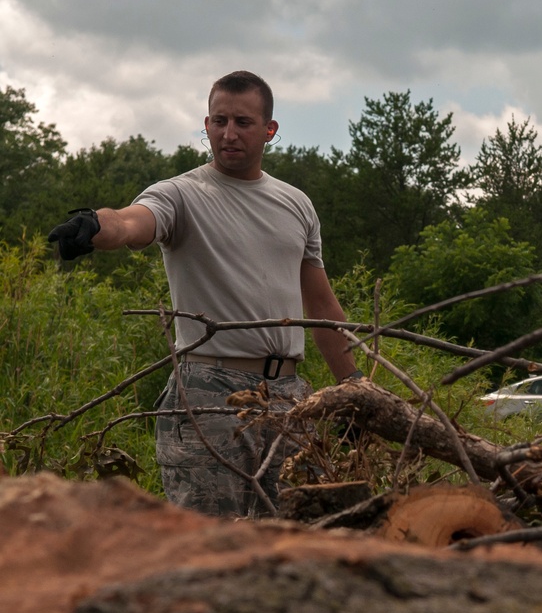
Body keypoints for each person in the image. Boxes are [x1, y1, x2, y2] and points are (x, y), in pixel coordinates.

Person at [47, 70, 361, 517]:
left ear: (270, 130)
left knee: (296, 544)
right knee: (211, 543)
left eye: (243, 122)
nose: (228, 134)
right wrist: (98, 226)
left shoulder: (296, 204)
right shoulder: (181, 194)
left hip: (290, 395)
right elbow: (133, 222)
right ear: (207, 124)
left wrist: (354, 387)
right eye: (218, 121)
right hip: (209, 394)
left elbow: (322, 305)